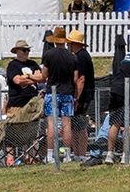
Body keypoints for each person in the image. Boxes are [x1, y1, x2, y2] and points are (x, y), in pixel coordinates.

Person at [40, 28, 78, 163]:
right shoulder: (72, 57)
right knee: (67, 124)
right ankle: (67, 155)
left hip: (52, 92)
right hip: (67, 92)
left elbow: (44, 75)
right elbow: (75, 78)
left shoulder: (49, 55)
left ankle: (50, 155)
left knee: (51, 124)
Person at [68, 30, 95, 156]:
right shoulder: (82, 55)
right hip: (82, 96)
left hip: (82, 97)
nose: (68, 46)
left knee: (80, 127)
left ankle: (81, 154)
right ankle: (77, 153)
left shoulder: (81, 57)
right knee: (75, 127)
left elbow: (81, 79)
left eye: (69, 43)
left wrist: (76, 98)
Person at [5, 39, 41, 114]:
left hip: (32, 103)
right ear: (17, 51)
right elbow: (18, 80)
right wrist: (35, 79)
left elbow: (42, 77)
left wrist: (27, 76)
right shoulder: (13, 65)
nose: (27, 52)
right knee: (16, 121)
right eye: (24, 50)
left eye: (28, 50)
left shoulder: (33, 64)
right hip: (17, 104)